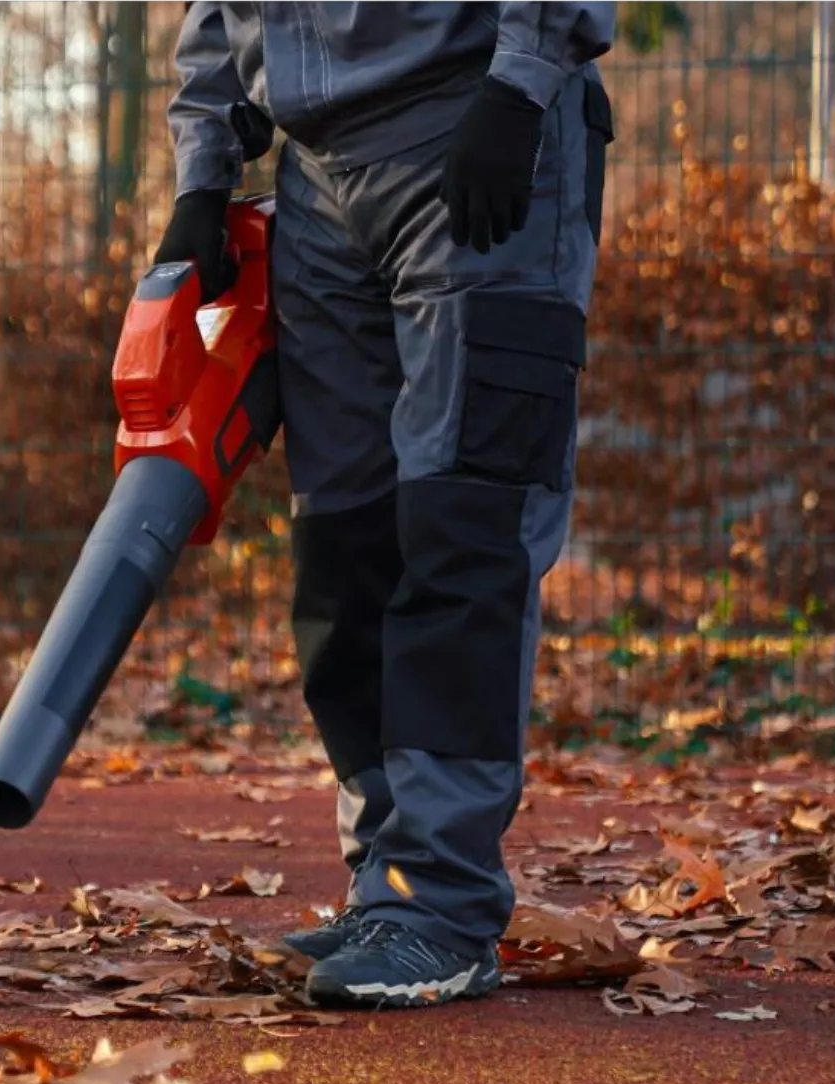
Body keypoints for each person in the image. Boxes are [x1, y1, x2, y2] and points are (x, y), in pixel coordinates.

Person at [156, 1, 615, 1009]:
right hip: (317, 177)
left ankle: (440, 907)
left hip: (479, 129)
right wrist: (205, 169)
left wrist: (519, 81)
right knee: (344, 549)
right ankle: (386, 888)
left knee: (462, 527)